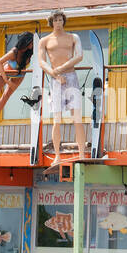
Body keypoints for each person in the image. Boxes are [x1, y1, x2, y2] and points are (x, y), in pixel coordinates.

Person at [37, 10, 86, 167]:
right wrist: (55, 74)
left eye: (60, 20)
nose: (58, 23)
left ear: (64, 21)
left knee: (77, 117)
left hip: (71, 76)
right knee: (56, 120)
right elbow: (41, 62)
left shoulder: (73, 37)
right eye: (55, 20)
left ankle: (82, 153)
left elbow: (79, 56)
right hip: (55, 80)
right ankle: (57, 155)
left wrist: (62, 68)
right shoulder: (44, 41)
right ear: (51, 22)